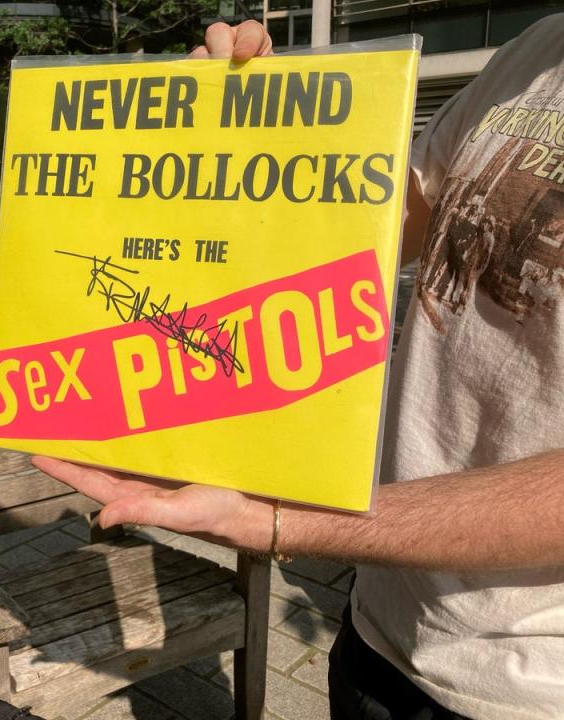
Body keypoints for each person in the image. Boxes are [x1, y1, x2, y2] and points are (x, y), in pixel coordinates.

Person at [33, 14, 564, 720]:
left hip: (526, 689)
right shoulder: (539, 47)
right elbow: (390, 223)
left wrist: (289, 520)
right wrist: (270, 124)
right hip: (383, 624)